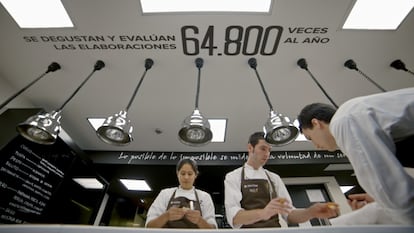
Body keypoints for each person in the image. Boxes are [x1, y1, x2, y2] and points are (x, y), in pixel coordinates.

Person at [297, 87, 414, 225]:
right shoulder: (354, 115)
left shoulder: (344, 121)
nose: (315, 146)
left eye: (310, 137)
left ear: (316, 123)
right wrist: (380, 200)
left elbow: (390, 190)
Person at [224, 132, 338, 228]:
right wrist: (263, 213)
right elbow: (234, 218)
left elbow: (290, 214)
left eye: (269, 150)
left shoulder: (274, 178)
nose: (267, 154)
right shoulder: (233, 177)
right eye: (263, 149)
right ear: (250, 148)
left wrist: (311, 212)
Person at [145, 158, 217, 228]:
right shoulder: (165, 194)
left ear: (196, 175)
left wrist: (199, 220)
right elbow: (149, 226)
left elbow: (213, 229)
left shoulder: (204, 197)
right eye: (182, 173)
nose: (186, 177)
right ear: (177, 174)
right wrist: (166, 216)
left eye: (190, 174)